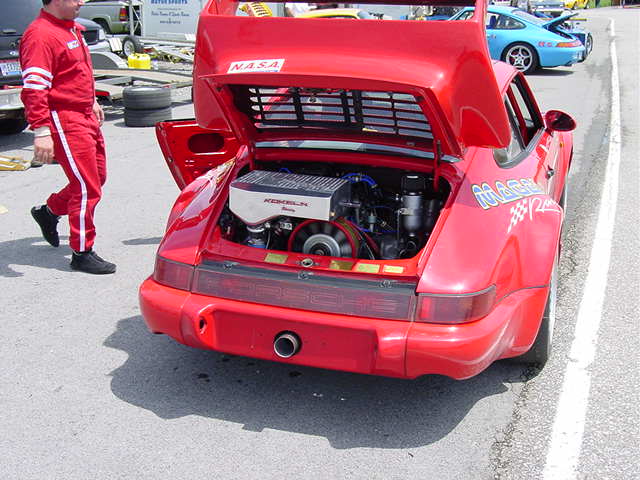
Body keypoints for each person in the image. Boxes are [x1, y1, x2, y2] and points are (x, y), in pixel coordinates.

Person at [20, 0, 116, 274]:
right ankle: (82, 252)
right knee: (86, 187)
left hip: (84, 113)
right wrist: (41, 131)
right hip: (64, 118)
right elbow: (34, 89)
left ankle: (48, 212)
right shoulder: (40, 35)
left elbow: (78, 71)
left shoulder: (71, 27)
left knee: (97, 177)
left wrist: (92, 99)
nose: (81, 2)